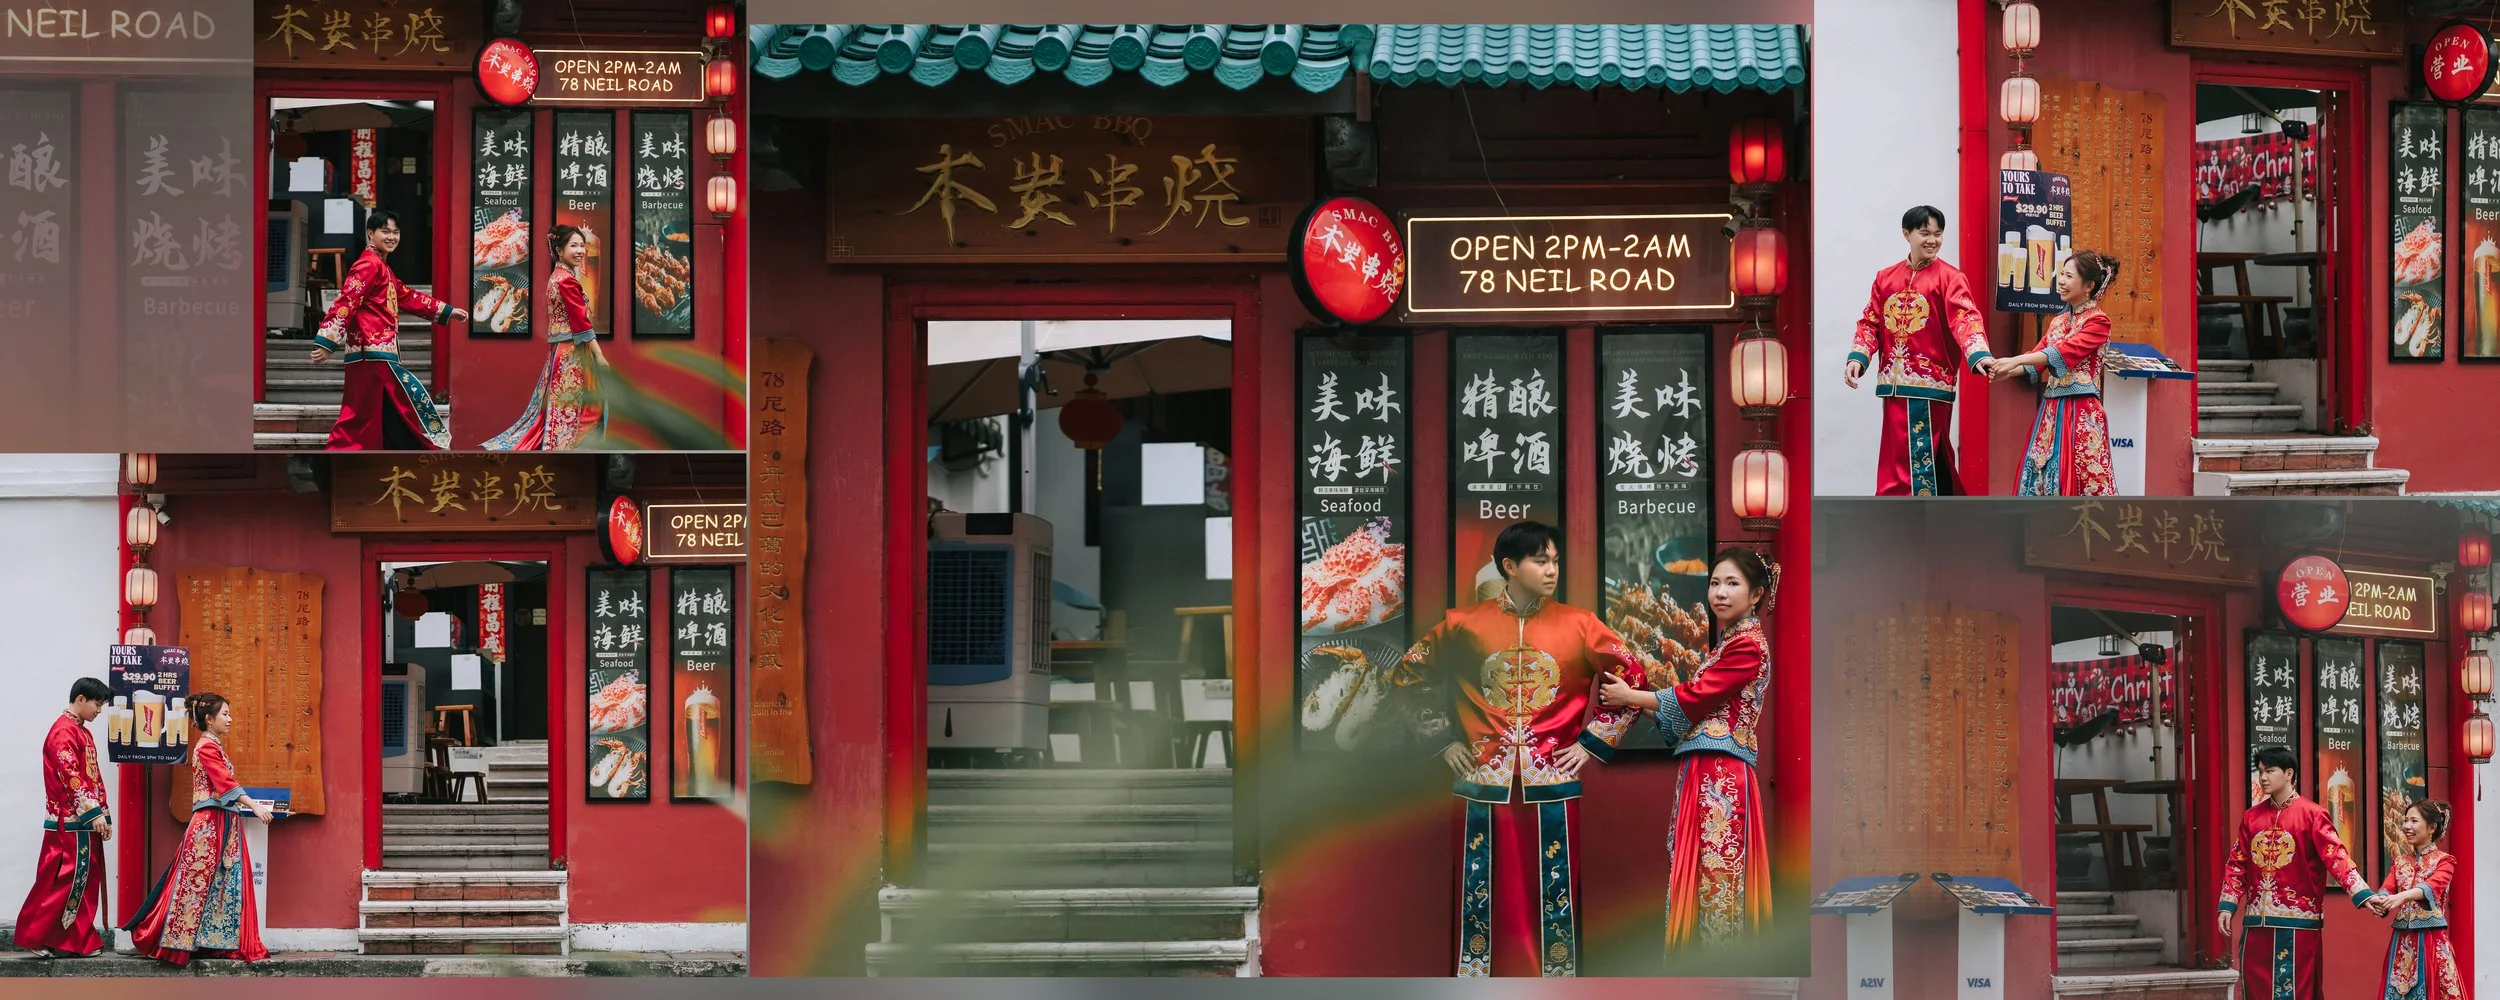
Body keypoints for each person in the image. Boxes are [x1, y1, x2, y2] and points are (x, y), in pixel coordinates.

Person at [1387, 521, 1652, 977]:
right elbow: (1407, 676)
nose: (1552, 570)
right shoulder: (1463, 624)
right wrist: (1442, 739)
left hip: (1552, 780)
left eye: (1555, 561)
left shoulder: (1580, 624)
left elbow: (1633, 678)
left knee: (1551, 890)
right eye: (1541, 561)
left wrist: (1590, 744)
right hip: (1481, 784)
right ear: (1509, 566)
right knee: (1484, 890)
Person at [1596, 548, 1776, 950]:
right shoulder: (1729, 643)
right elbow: (1693, 707)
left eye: (1733, 584)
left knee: (1718, 871)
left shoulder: (1747, 647)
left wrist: (1633, 695)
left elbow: (1695, 696)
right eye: (1715, 583)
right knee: (1700, 868)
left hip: (1722, 776)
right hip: (1709, 769)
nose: (1720, 593)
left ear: (1757, 595)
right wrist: (1637, 700)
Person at [1842, 205, 1997, 496]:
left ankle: (1914, 517)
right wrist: (1858, 357)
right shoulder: (1885, 278)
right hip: (1893, 385)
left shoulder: (1950, 278)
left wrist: (1979, 354)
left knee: (1919, 455)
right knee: (1898, 455)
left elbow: (1965, 318)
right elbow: (1871, 321)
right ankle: (1920, 514)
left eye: (1938, 234)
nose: (1932, 240)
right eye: (1924, 233)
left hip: (1929, 384)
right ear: (1907, 234)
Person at [125, 693, 273, 966]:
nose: (230, 719)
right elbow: (225, 783)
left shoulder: (214, 745)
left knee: (220, 883)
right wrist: (254, 806)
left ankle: (211, 941)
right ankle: (177, 942)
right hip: (209, 825)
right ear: (209, 719)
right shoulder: (207, 747)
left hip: (221, 821)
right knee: (196, 884)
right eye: (225, 714)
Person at [2218, 744, 2375, 1000]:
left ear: (2289, 773)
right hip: (2256, 925)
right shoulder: (2251, 817)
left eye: (2270, 771)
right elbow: (2237, 863)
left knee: (2293, 993)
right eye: (2260, 772)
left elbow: (2336, 857)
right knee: (2255, 991)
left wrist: (2363, 894)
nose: (2263, 778)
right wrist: (2228, 905)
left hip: (2297, 926)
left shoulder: (2313, 815)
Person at [311, 210, 466, 451]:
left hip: (378, 352)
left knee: (381, 409)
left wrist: (447, 311)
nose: (392, 237)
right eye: (385, 231)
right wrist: (327, 341)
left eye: (395, 232)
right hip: (370, 351)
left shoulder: (381, 267)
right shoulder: (368, 265)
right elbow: (346, 301)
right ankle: (339, 454)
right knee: (370, 409)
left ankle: (391, 454)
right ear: (371, 234)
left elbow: (407, 295)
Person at [1988, 250, 2119, 496]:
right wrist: (2005, 371)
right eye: (2061, 274)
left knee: (2081, 476)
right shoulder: (2058, 322)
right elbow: (2036, 358)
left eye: (2069, 276)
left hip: (2081, 410)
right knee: (2043, 469)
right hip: (2052, 410)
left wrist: (2012, 360)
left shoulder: (2098, 322)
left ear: (2089, 285)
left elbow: (2060, 353)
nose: (2061, 280)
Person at [483, 224, 609, 451]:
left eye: (582, 245)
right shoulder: (567, 280)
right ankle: (566, 455)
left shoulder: (558, 276)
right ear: (559, 250)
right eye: (574, 246)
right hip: (573, 352)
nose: (580, 251)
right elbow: (580, 322)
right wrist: (600, 356)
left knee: (560, 408)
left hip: (562, 350)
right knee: (585, 409)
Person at [13, 678, 113, 958]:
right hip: (68, 823)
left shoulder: (82, 732)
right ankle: (37, 935)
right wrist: (94, 812)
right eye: (97, 704)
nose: (99, 711)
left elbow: (94, 778)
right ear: (80, 699)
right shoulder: (62, 732)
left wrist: (103, 815)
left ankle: (72, 941)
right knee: (65, 880)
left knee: (82, 881)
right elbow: (71, 777)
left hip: (83, 822)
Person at [2368, 799, 2468, 999]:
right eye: (2406, 821)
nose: (2406, 826)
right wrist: (2378, 902)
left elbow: (2431, 887)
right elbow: (2387, 889)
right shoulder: (2400, 862)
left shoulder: (2445, 861)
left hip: (2431, 940)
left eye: (2414, 821)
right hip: (2402, 941)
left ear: (2432, 827)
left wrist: (2400, 897)